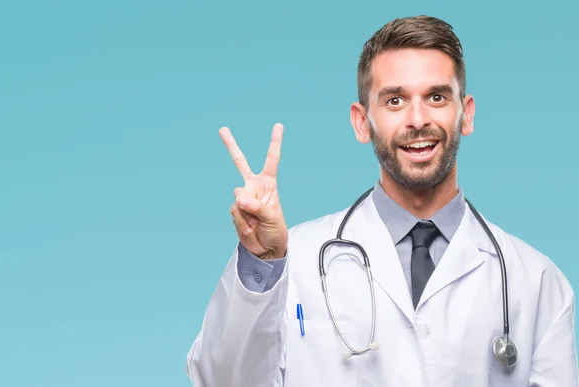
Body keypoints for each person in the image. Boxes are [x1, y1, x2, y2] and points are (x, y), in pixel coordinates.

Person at [185, 15, 578, 386]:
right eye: (394, 100)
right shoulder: (296, 260)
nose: (418, 119)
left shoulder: (537, 281)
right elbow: (223, 381)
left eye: (437, 97)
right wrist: (262, 263)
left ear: (466, 114)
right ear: (361, 122)